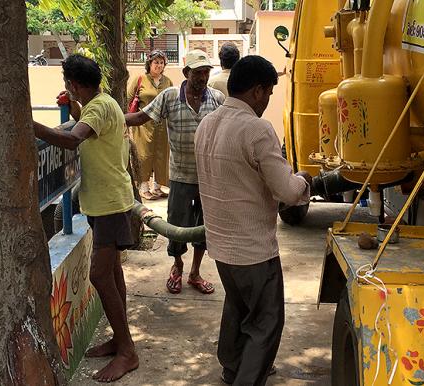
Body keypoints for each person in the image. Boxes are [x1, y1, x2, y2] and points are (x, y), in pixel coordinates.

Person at [195, 56, 311, 385]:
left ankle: (232, 367)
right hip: (254, 250)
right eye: (270, 94)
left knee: (237, 307)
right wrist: (304, 179)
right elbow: (288, 191)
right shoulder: (257, 129)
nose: (268, 102)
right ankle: (247, 376)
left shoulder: (207, 123)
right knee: (266, 322)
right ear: (258, 91)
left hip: (221, 245)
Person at [34, 54, 138, 383]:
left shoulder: (98, 107)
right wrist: (74, 109)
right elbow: (89, 128)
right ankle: (121, 341)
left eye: (69, 85)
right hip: (106, 201)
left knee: (99, 274)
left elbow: (72, 138)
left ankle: (128, 353)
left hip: (109, 203)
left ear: (75, 84)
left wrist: (27, 123)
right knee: (112, 272)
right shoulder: (102, 103)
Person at [125, 49, 225, 295]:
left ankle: (195, 273)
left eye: (205, 72)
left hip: (209, 179)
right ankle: (177, 268)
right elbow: (140, 117)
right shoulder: (170, 96)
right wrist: (109, 118)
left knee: (204, 227)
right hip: (180, 176)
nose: (202, 78)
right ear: (186, 73)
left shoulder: (217, 99)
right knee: (177, 227)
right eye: (197, 73)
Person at [128, 50, 173, 200]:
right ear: (149, 64)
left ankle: (158, 187)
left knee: (161, 154)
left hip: (162, 125)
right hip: (143, 124)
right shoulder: (140, 79)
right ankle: (143, 187)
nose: (159, 65)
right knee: (144, 155)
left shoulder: (167, 81)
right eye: (156, 62)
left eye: (161, 63)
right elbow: (128, 97)